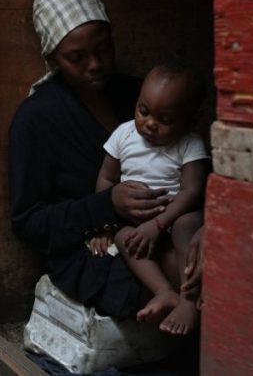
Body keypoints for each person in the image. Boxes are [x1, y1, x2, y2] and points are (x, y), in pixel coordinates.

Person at [9, 0, 173, 319]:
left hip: (165, 226)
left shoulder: (139, 96)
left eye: (103, 49)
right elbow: (28, 223)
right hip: (89, 251)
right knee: (154, 278)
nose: (95, 65)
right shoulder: (36, 119)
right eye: (76, 58)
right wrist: (105, 206)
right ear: (53, 56)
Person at [89, 62, 208, 335]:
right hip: (137, 223)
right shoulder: (124, 134)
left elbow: (192, 191)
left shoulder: (190, 143)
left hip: (173, 219)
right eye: (144, 111)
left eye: (165, 120)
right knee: (123, 237)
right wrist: (103, 225)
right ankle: (165, 292)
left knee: (186, 225)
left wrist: (159, 224)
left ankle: (189, 300)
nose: (150, 124)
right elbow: (106, 179)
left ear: (192, 118)